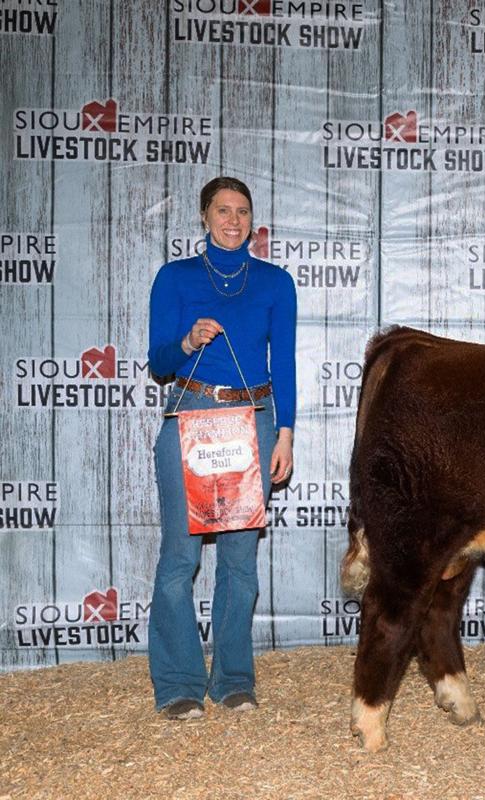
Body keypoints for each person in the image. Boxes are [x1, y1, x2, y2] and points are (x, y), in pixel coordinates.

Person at [147, 176, 297, 720]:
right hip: (192, 416)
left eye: (242, 212)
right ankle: (179, 683)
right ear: (204, 216)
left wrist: (284, 433)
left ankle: (233, 679)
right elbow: (160, 361)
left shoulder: (276, 283)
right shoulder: (175, 277)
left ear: (251, 221)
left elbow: (284, 362)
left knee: (240, 561)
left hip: (254, 421)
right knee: (179, 558)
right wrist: (187, 341)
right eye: (222, 210)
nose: (232, 220)